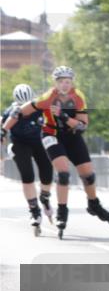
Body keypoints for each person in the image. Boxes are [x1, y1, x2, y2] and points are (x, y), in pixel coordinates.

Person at [15, 66, 109, 237]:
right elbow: (25, 109)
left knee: (88, 176)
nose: (64, 85)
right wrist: (14, 115)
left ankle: (93, 203)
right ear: (56, 83)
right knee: (63, 174)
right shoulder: (48, 97)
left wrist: (63, 116)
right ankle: (62, 212)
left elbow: (82, 126)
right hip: (52, 135)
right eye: (61, 81)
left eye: (68, 82)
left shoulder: (78, 97)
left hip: (72, 135)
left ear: (72, 83)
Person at [1, 84, 54, 235]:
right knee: (27, 175)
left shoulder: (39, 108)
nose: (25, 110)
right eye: (21, 107)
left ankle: (44, 197)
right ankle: (34, 210)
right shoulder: (11, 112)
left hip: (38, 142)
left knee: (47, 172)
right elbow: (3, 127)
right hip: (20, 144)